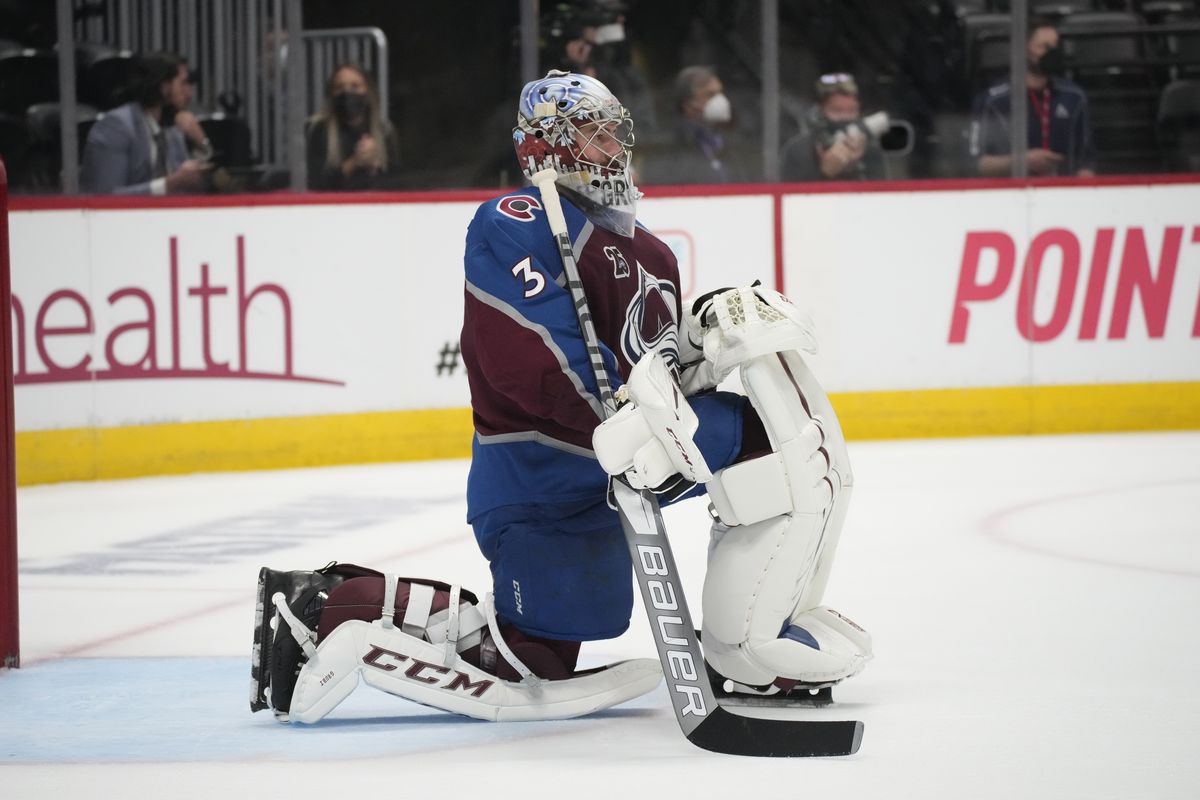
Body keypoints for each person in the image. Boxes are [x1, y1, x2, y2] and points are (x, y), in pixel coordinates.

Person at [250, 71, 871, 725]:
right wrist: (628, 420)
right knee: (535, 658)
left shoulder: (654, 253)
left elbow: (658, 373)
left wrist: (695, 347)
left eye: (614, 133)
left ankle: (749, 641)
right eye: (593, 134)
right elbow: (532, 363)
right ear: (544, 147)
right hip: (540, 475)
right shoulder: (512, 223)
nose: (613, 149)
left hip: (620, 460)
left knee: (767, 446)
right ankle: (328, 606)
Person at [969, 18, 1096, 177]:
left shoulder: (1074, 97)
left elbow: (1085, 161)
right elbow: (976, 164)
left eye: (1055, 47)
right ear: (1024, 49)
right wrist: (1022, 161)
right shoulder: (992, 101)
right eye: (1045, 47)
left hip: (1063, 193)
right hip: (1009, 194)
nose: (1052, 53)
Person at [80, 51, 211, 195]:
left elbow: (192, 186)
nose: (189, 93)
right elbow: (106, 196)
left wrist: (201, 144)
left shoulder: (172, 128)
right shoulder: (115, 126)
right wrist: (169, 185)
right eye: (183, 83)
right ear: (164, 86)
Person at [305, 63, 400, 191]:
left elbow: (397, 184)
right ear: (331, 94)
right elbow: (314, 184)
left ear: (367, 92)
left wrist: (374, 167)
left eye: (355, 86)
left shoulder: (385, 131)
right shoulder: (318, 130)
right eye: (339, 87)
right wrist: (353, 163)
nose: (347, 93)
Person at [780, 73, 887, 182]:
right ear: (820, 114)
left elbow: (883, 196)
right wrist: (825, 174)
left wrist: (855, 167)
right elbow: (791, 196)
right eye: (837, 110)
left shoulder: (871, 152)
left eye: (851, 110)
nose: (845, 117)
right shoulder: (798, 151)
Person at [642, 65, 740, 184]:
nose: (720, 100)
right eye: (710, 95)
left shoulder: (726, 140)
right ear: (688, 104)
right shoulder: (668, 145)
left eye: (720, 92)